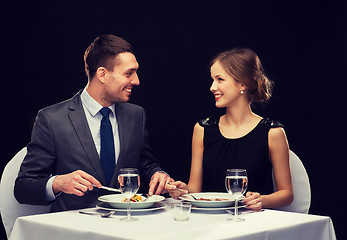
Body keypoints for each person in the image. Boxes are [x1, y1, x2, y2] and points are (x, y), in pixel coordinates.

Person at [14, 34, 172, 212]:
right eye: (129, 73)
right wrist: (57, 183)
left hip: (126, 225)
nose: (136, 81)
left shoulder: (136, 115)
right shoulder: (51, 119)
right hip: (73, 230)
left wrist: (158, 175)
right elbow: (23, 188)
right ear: (102, 74)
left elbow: (146, 165)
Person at [167, 48, 293, 211]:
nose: (212, 87)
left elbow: (287, 194)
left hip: (254, 222)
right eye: (213, 80)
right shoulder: (202, 129)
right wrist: (182, 190)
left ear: (243, 83)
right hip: (211, 220)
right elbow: (195, 189)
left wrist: (260, 200)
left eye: (220, 79)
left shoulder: (272, 132)